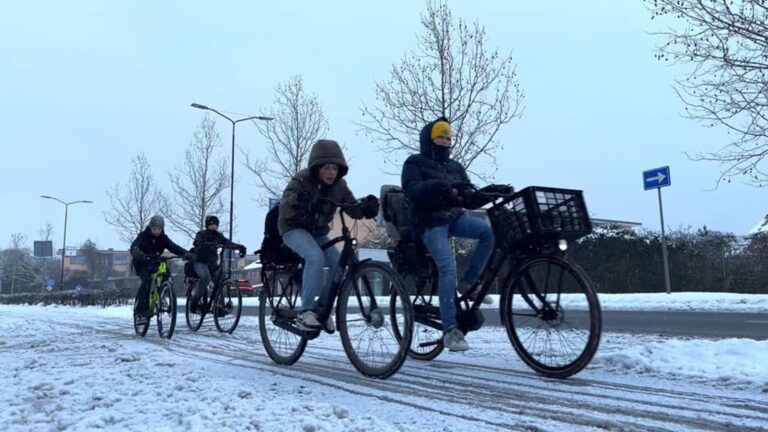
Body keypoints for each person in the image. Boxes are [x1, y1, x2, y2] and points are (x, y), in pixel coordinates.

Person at [401, 117, 497, 352]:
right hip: (429, 222)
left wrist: (489, 194)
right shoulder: (414, 163)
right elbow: (411, 191)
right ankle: (450, 330)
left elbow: (467, 195)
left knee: (488, 233)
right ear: (429, 138)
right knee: (447, 267)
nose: (445, 141)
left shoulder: (455, 167)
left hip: (453, 217)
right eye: (440, 136)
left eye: (448, 138)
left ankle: (468, 284)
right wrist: (434, 187)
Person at [278, 139, 379, 332]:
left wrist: (366, 208)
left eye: (335, 168)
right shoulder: (301, 180)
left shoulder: (339, 186)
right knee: (314, 256)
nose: (332, 173)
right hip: (293, 229)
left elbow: (352, 207)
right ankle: (305, 312)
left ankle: (321, 308)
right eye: (327, 168)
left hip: (317, 232)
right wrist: (299, 200)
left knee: (338, 263)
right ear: (316, 168)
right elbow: (284, 206)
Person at [130, 215, 192, 324]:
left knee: (166, 275)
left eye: (159, 228)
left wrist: (186, 254)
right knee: (147, 282)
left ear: (162, 228)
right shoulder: (143, 236)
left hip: (156, 262)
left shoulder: (163, 238)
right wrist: (136, 251)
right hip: (142, 263)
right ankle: (140, 312)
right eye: (154, 228)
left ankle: (162, 294)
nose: (157, 231)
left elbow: (174, 247)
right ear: (150, 227)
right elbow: (135, 245)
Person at [189, 215, 246, 314]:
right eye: (211, 224)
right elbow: (196, 242)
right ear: (207, 225)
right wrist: (203, 244)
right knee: (205, 277)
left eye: (215, 224)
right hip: (200, 262)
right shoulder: (201, 234)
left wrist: (239, 247)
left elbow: (226, 242)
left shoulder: (218, 235)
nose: (213, 226)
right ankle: (194, 302)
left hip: (212, 264)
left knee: (221, 280)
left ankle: (219, 306)